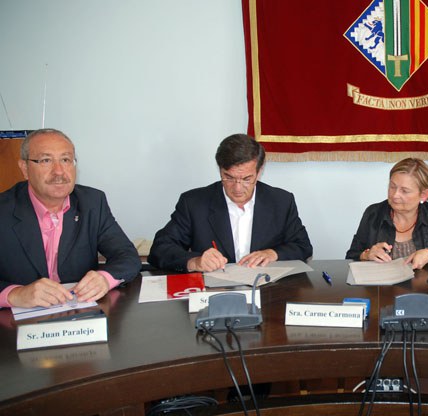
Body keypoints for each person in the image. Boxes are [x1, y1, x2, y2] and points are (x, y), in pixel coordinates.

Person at [0, 128, 141, 309]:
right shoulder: (4, 210)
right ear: (25, 168)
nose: (59, 171)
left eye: (66, 160)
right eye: (46, 160)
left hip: (79, 314)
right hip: (16, 320)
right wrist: (14, 294)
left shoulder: (92, 202)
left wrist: (104, 278)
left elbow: (127, 256)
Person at [148, 134, 313, 272]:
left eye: (246, 179)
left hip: (267, 290)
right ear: (220, 169)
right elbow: (160, 249)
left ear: (259, 171)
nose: (237, 188)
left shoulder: (280, 201)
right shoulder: (194, 203)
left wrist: (272, 254)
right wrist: (194, 262)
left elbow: (303, 246)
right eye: (229, 177)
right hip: (214, 291)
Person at [346, 158, 428, 268]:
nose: (395, 195)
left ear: (424, 195)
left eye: (404, 191)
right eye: (392, 187)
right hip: (381, 284)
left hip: (423, 284)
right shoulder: (374, 214)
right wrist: (367, 255)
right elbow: (351, 256)